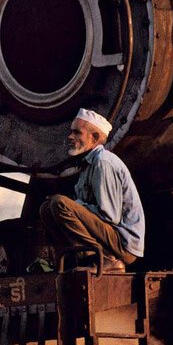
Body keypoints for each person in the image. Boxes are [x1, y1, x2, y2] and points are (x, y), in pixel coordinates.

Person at [39, 108, 144, 272]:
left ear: (95, 137)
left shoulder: (103, 162)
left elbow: (110, 216)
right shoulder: (87, 164)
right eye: (71, 132)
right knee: (46, 208)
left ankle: (106, 260)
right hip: (109, 237)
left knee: (59, 203)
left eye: (77, 132)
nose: (70, 137)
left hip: (122, 243)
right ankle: (81, 258)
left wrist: (74, 206)